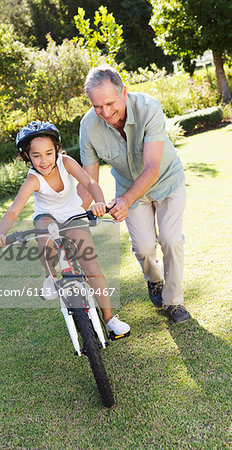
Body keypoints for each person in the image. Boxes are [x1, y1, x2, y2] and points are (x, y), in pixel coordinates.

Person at [0, 120, 130, 335]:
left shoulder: (66, 162)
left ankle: (110, 318)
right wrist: (1, 234)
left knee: (92, 269)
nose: (44, 160)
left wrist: (100, 202)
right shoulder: (33, 179)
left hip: (73, 215)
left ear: (57, 149)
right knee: (44, 232)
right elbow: (14, 211)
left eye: (48, 153)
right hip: (47, 217)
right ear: (27, 156)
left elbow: (90, 183)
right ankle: (50, 276)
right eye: (36, 155)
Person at [78, 65, 190, 323]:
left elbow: (151, 168)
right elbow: (88, 179)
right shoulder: (88, 126)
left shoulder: (149, 107)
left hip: (166, 182)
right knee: (143, 247)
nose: (105, 113)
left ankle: (173, 303)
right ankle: (154, 280)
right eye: (97, 107)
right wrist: (69, 213)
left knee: (171, 240)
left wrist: (125, 201)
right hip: (129, 189)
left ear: (124, 92)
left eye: (109, 103)